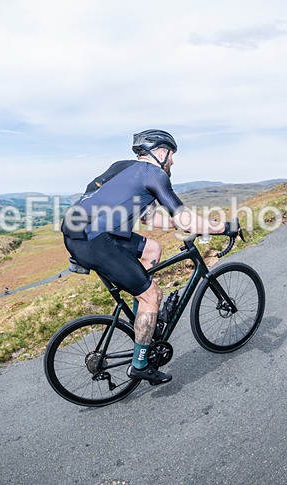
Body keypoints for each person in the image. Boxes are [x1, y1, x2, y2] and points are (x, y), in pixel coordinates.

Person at [60, 129, 226, 384]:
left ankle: (142, 319)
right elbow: (184, 218)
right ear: (161, 153)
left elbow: (149, 217)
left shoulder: (122, 167)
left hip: (78, 232)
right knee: (152, 296)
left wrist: (175, 224)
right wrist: (222, 227)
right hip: (96, 240)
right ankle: (140, 364)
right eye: (172, 155)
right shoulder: (154, 174)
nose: (173, 161)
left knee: (152, 250)